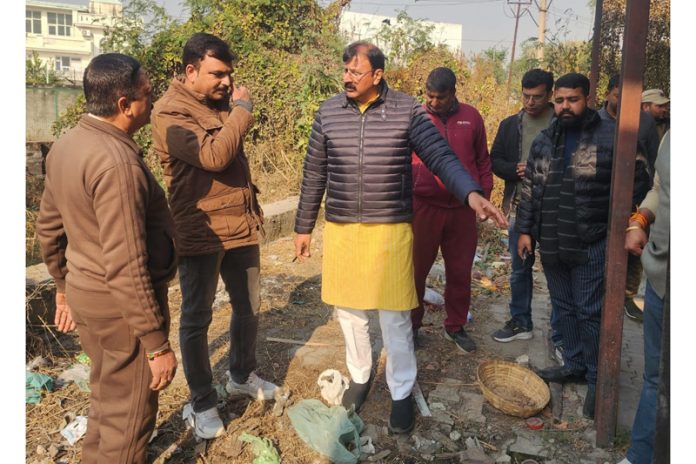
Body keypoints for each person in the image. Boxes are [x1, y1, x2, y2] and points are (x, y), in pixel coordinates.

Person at [293, 41, 507, 434]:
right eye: (344, 70)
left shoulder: (407, 111)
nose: (346, 77)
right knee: (351, 313)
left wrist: (472, 193)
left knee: (395, 317)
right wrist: (303, 226)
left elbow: (442, 158)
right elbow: (314, 172)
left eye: (355, 71)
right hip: (342, 228)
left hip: (390, 229)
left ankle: (401, 390)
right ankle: (360, 376)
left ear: (377, 75)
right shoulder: (328, 113)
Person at [37, 53, 178, 463]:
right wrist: (155, 344)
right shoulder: (116, 164)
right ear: (124, 104)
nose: (152, 102)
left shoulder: (67, 145)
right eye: (147, 94)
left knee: (107, 399)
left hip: (88, 297)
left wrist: (64, 288)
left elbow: (48, 230)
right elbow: (127, 264)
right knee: (129, 417)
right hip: (121, 312)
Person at [151, 32, 278, 440]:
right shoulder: (170, 113)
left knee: (249, 306)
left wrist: (231, 110)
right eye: (217, 74)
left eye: (229, 74)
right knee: (197, 318)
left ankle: (241, 374)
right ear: (191, 71)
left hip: (240, 226)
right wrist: (242, 110)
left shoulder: (218, 105)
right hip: (202, 231)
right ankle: (202, 400)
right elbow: (214, 156)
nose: (226, 82)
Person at [516, 73, 650, 419]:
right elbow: (530, 188)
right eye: (559, 101)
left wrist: (614, 223)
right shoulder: (545, 140)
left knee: (590, 312)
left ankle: (597, 379)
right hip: (554, 243)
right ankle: (574, 364)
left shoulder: (611, 137)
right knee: (564, 306)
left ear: (587, 98)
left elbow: (640, 181)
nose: (564, 106)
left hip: (591, 243)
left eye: (571, 100)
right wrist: (526, 231)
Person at [410, 67, 493, 354]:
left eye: (440, 98)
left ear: (453, 93)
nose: (433, 103)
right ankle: (412, 326)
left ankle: (455, 326)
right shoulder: (416, 118)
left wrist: (484, 198)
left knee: (460, 271)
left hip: (461, 210)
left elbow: (483, 161)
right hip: (423, 208)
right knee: (415, 271)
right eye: (429, 96)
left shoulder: (471, 117)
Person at [490, 69, 563, 352]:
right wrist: (513, 170)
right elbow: (495, 160)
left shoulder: (562, 122)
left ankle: (560, 334)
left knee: (557, 272)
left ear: (550, 95)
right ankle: (521, 322)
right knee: (520, 270)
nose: (530, 102)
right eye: (526, 96)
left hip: (556, 211)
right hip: (521, 209)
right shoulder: (511, 125)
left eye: (537, 97)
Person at [619, 130, 670, 464]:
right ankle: (640, 455)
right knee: (656, 374)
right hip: (662, 274)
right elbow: (659, 187)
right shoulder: (673, 137)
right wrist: (640, 220)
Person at [599, 74, 660, 323]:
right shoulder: (595, 120)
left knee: (633, 252)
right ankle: (602, 295)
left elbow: (655, 163)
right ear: (607, 94)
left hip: (636, 200)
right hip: (601, 198)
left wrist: (648, 201)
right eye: (617, 94)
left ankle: (626, 298)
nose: (623, 100)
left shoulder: (644, 122)